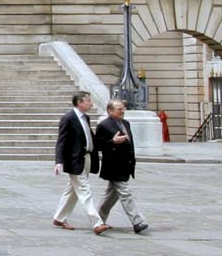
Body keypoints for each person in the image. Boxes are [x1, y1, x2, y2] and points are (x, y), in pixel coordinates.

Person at [94, 98, 149, 234]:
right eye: (119, 109)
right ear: (110, 111)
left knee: (110, 196)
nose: (123, 110)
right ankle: (137, 221)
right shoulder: (104, 125)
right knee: (125, 194)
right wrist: (112, 141)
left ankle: (98, 221)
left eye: (123, 108)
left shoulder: (126, 123)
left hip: (126, 165)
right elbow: (98, 146)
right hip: (113, 166)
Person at [52, 91, 103, 231]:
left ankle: (59, 218)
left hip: (86, 158)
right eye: (88, 100)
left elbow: (91, 137)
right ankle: (97, 222)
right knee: (84, 190)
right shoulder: (68, 118)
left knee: (72, 190)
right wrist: (59, 161)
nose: (91, 103)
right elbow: (61, 141)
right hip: (75, 160)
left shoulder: (85, 118)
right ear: (80, 102)